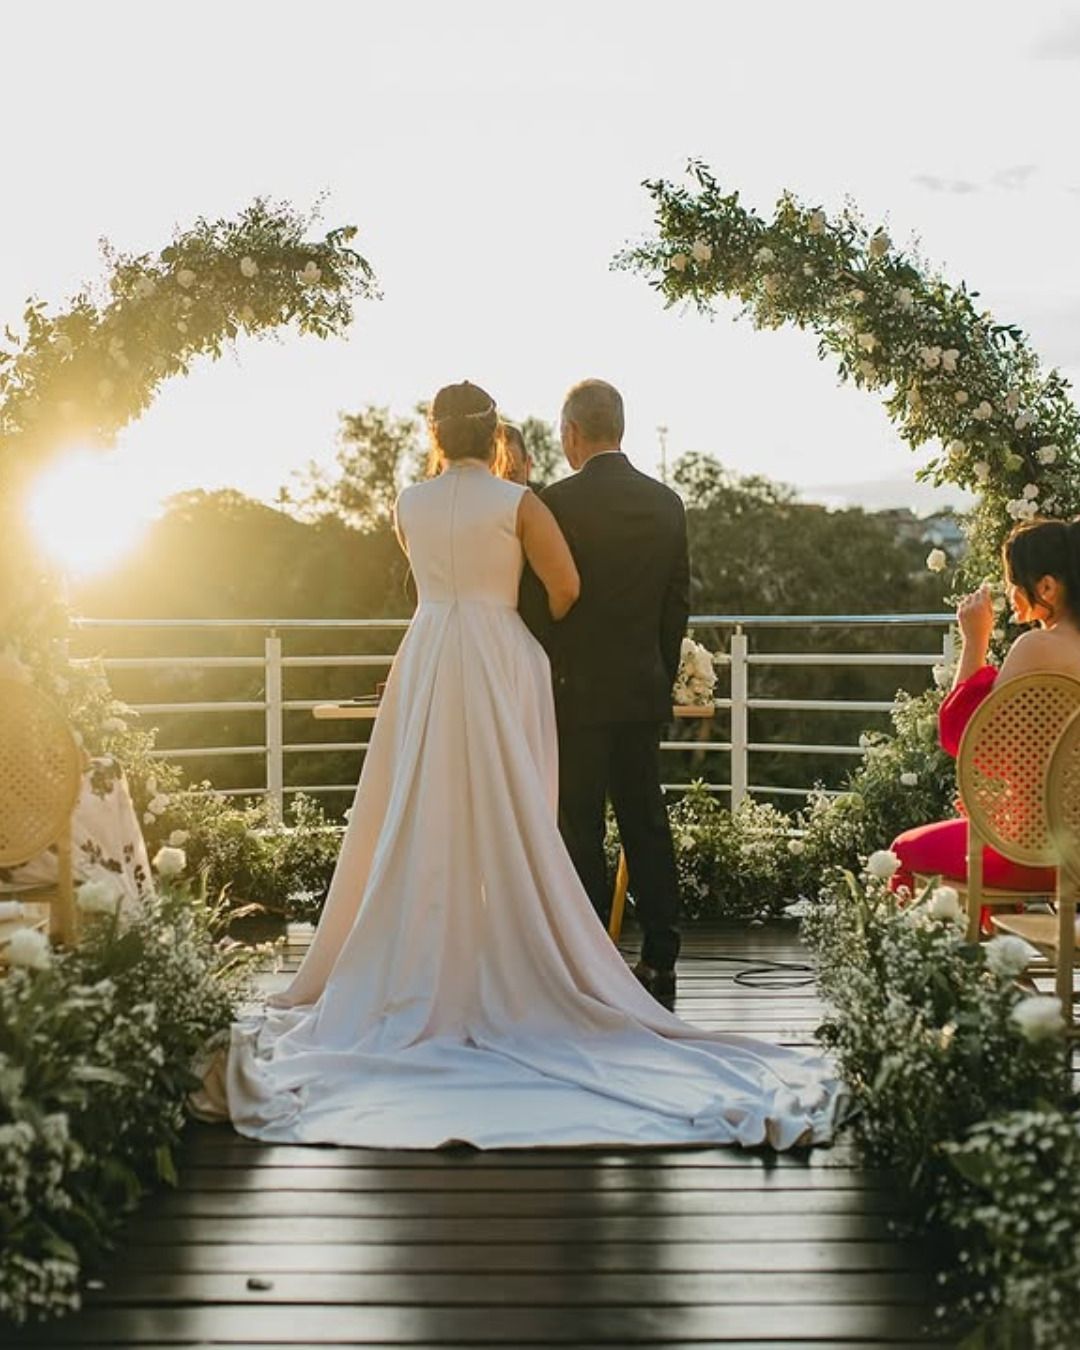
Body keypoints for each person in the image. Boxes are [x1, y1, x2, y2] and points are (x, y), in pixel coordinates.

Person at [209, 380, 838, 1151]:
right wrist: (533, 627)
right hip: (533, 664)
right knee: (553, 811)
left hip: (432, 656)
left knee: (430, 805)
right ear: (495, 433)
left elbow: (431, 583)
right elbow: (578, 589)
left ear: (436, 434)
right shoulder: (538, 503)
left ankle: (430, 957)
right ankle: (591, 952)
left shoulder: (408, 501)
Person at [519, 379, 687, 1009]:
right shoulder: (667, 504)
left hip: (573, 691)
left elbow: (537, 605)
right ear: (620, 428)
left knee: (579, 828)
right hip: (641, 690)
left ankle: (588, 966)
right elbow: (678, 609)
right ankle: (661, 959)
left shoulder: (552, 504)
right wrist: (657, 673)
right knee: (647, 823)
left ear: (570, 433)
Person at [891, 518, 1080, 897]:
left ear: (1046, 586)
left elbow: (965, 739)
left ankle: (935, 956)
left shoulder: (1037, 648)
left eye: (1013, 580)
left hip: (1034, 853)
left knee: (901, 853)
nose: (1009, 591)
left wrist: (974, 640)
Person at [500, 422, 531, 487]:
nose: (503, 485)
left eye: (511, 475)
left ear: (528, 466)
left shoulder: (546, 496)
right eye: (494, 477)